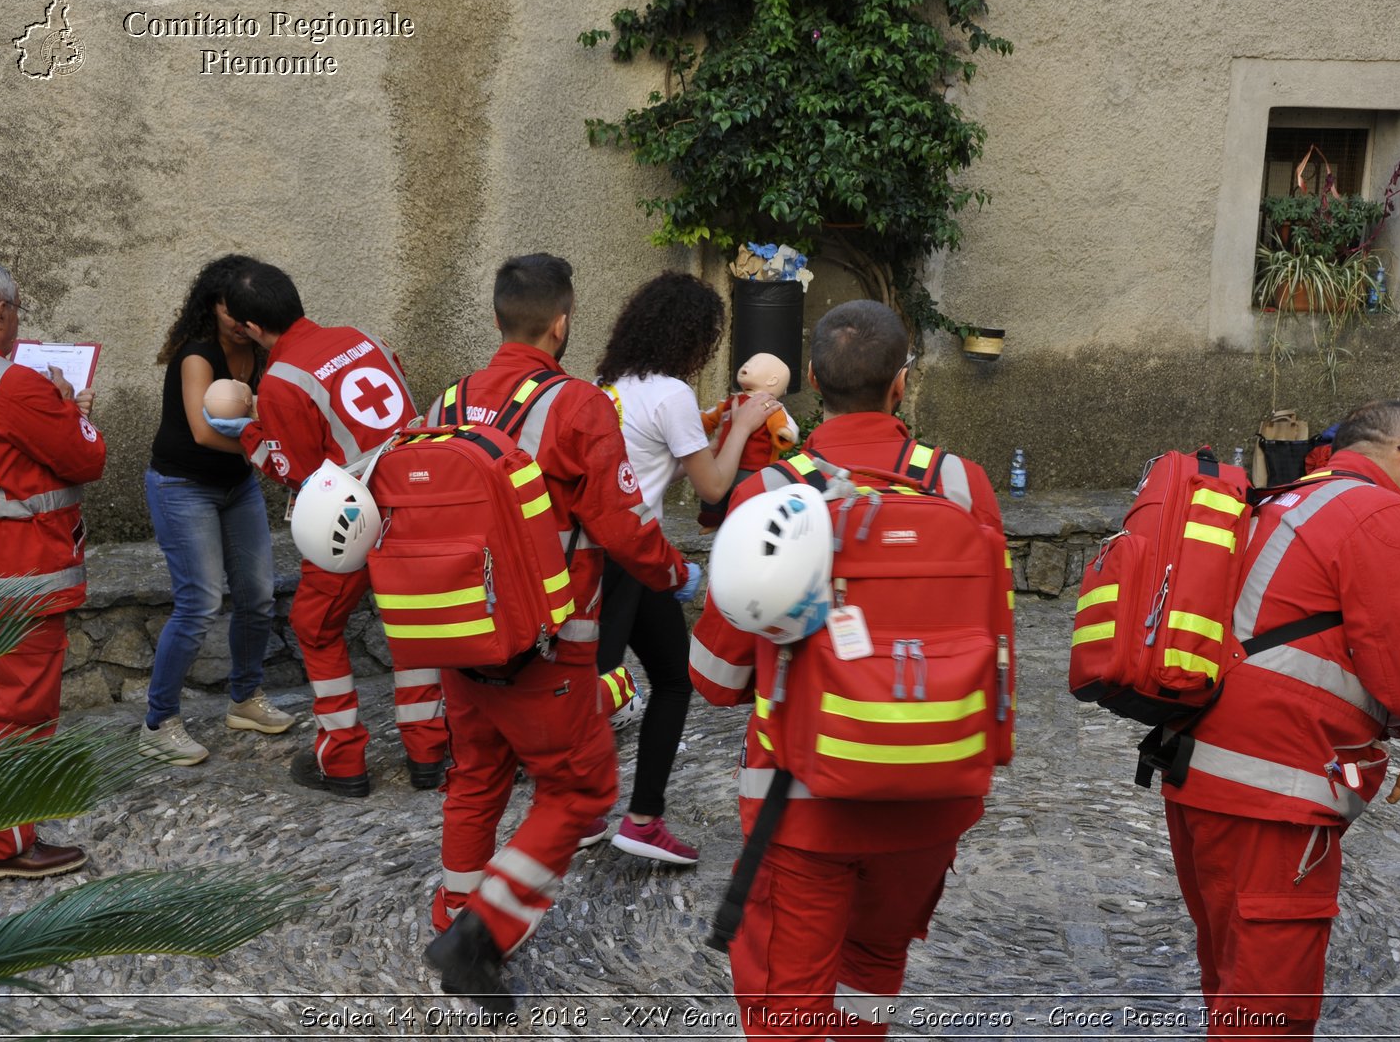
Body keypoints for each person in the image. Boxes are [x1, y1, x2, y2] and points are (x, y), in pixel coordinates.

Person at [688, 299, 1005, 1039]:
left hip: (801, 801)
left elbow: (714, 674)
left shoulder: (767, 493)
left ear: (812, 384)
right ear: (901, 385)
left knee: (787, 994)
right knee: (874, 963)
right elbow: (994, 638)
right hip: (932, 791)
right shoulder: (962, 485)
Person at [1158, 399, 1400, 1039]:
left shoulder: (1285, 497)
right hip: (1273, 796)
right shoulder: (1382, 513)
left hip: (1198, 775)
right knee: (1268, 1016)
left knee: (1229, 986)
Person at [420, 254, 695, 1011]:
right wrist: (677, 574)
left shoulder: (446, 401)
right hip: (547, 643)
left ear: (499, 316)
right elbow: (624, 527)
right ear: (562, 321)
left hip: (458, 631)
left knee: (477, 775)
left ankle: (455, 914)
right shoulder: (578, 406)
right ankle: (477, 937)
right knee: (580, 789)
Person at [203, 260, 442, 797]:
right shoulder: (362, 337)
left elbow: (301, 471)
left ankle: (343, 757)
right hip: (416, 502)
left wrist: (250, 435)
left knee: (315, 625)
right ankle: (429, 750)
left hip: (355, 516)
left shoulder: (284, 381)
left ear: (249, 329)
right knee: (411, 625)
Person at [591, 271, 774, 864]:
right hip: (633, 558)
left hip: (605, 557)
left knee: (635, 680)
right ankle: (633, 818)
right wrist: (743, 425)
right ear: (692, 338)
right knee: (656, 683)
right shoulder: (670, 394)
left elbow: (649, 451)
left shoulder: (612, 385)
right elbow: (715, 486)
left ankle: (595, 810)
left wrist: (710, 421)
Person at [138, 255, 294, 766]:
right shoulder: (198, 355)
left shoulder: (261, 352)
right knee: (199, 603)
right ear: (213, 305)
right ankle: (158, 722)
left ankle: (245, 699)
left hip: (236, 487)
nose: (239, 321)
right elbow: (204, 432)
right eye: (230, 310)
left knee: (257, 596)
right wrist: (269, 449)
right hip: (182, 487)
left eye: (246, 312)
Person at [0, 261, 106, 878]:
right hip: (19, 581)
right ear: (0, 314)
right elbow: (87, 456)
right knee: (19, 716)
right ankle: (7, 846)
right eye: (15, 312)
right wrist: (73, 409)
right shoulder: (17, 387)